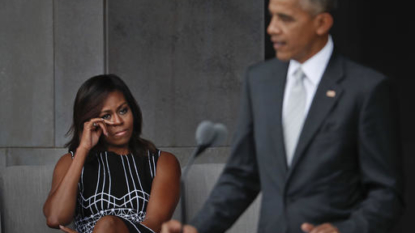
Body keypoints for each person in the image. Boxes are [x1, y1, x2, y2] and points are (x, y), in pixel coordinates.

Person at [161, 0, 404, 232]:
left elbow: (386, 193)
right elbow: (242, 176)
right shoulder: (259, 80)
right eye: (271, 15)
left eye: (285, 18)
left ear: (321, 23)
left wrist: (347, 230)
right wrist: (196, 228)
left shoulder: (366, 89)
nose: (272, 28)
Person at [43, 74, 181, 233]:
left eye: (123, 110)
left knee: (107, 224)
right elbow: (55, 218)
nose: (118, 121)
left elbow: (155, 225)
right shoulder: (70, 162)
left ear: (133, 111)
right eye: (106, 116)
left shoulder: (162, 161)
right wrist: (83, 150)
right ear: (90, 122)